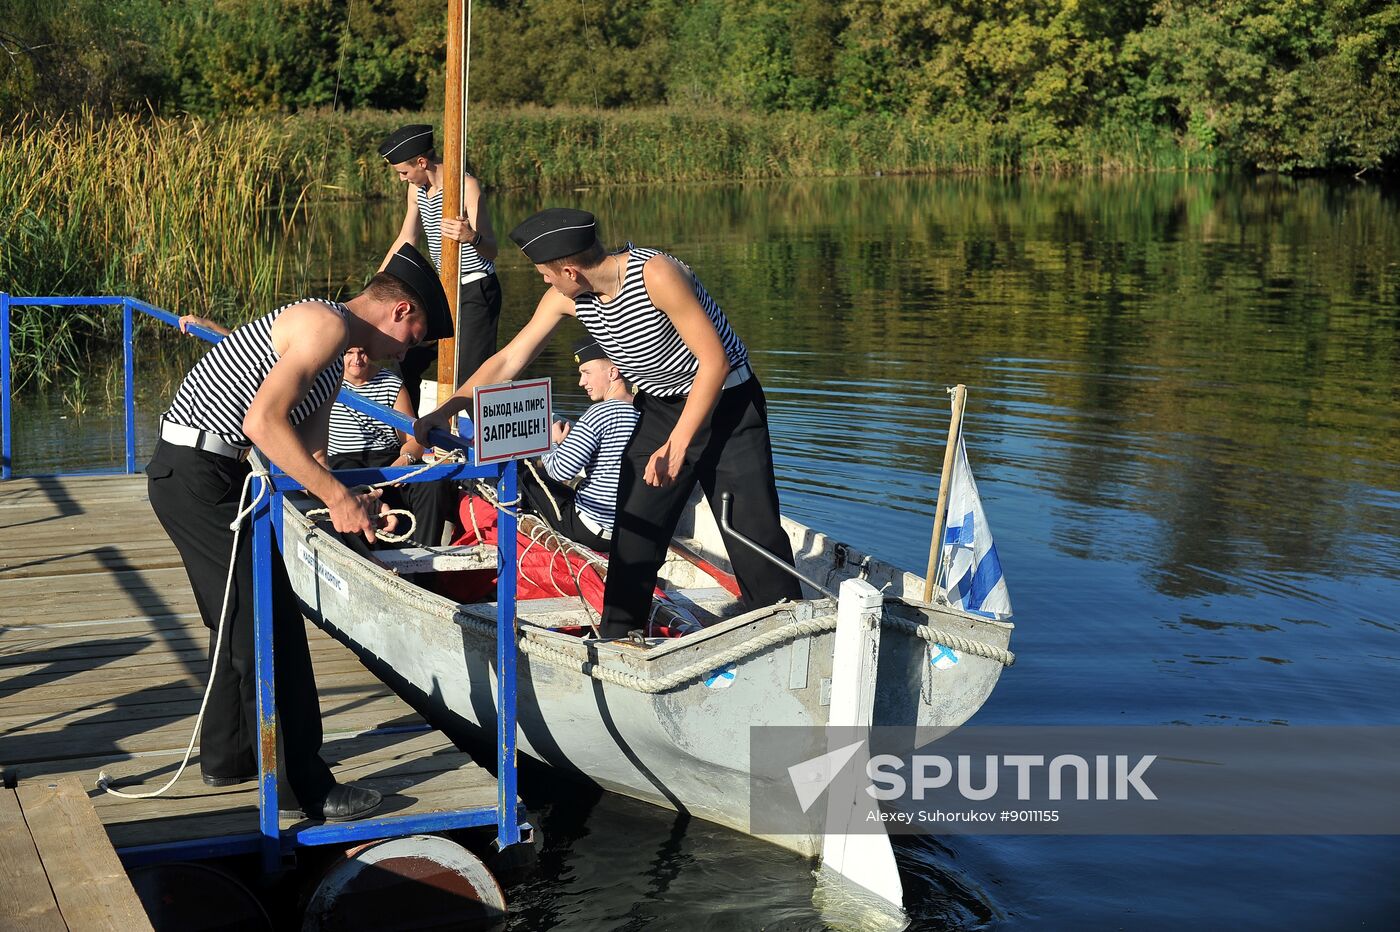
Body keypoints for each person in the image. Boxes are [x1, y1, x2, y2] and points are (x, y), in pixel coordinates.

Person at [148, 243, 451, 822]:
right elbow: (259, 422)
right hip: (196, 472)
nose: (396, 361)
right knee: (270, 623)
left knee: (236, 617)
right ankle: (304, 786)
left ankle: (230, 757)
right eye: (409, 342)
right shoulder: (324, 324)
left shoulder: (336, 354)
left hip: (209, 473)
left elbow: (310, 455)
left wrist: (357, 502)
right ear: (401, 311)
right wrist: (335, 496)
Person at [415, 208, 803, 639]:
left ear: (570, 270)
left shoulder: (656, 274)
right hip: (660, 407)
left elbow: (715, 361)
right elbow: (508, 359)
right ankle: (621, 635)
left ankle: (787, 630)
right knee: (635, 529)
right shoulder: (567, 298)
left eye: (545, 273)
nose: (544, 281)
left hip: (728, 403)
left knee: (752, 531)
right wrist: (442, 411)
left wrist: (676, 447)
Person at [378, 123, 500, 412]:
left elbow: (492, 250)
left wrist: (471, 236)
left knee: (470, 377)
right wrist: (377, 285)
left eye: (403, 172)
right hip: (443, 291)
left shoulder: (465, 186)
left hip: (476, 289)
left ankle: (474, 445)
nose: (401, 179)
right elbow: (406, 239)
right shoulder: (417, 190)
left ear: (422, 162)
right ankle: (414, 434)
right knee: (406, 358)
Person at [325, 345, 453, 550]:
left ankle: (423, 560)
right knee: (344, 481)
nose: (357, 359)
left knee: (432, 484)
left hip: (389, 459)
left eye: (363, 352)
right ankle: (366, 555)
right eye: (349, 353)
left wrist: (406, 460)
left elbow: (414, 440)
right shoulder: (327, 382)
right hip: (344, 461)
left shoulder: (390, 383)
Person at [519, 338, 640, 552]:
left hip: (592, 530)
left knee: (525, 475)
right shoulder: (643, 411)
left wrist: (551, 442)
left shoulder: (600, 413)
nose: (581, 382)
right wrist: (568, 445)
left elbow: (560, 471)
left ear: (613, 372)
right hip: (627, 530)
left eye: (587, 372)